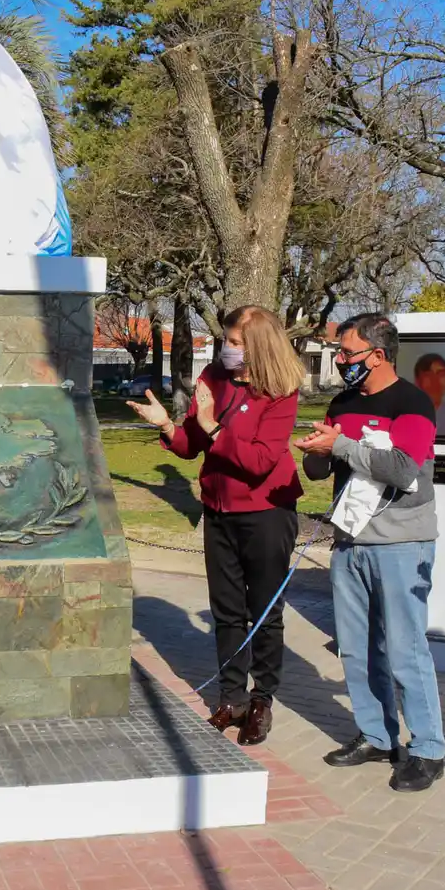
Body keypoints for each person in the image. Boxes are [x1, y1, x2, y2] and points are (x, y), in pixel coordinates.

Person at [126, 306, 304, 745]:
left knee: (263, 611)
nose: (227, 349)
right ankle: (232, 697)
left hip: (266, 512)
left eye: (236, 343)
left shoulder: (280, 391)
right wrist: (168, 425)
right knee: (227, 611)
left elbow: (261, 460)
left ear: (258, 346)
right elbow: (191, 445)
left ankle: (262, 699)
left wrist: (213, 427)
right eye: (226, 340)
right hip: (220, 510)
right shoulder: (214, 379)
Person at [294, 312, 445, 793]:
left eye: (347, 353)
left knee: (405, 649)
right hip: (349, 540)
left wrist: (342, 444)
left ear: (378, 355)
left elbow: (403, 469)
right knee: (355, 647)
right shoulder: (342, 401)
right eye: (338, 352)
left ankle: (427, 748)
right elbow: (321, 471)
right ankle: (377, 736)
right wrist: (317, 450)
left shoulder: (413, 402)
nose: (339, 361)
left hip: (401, 541)